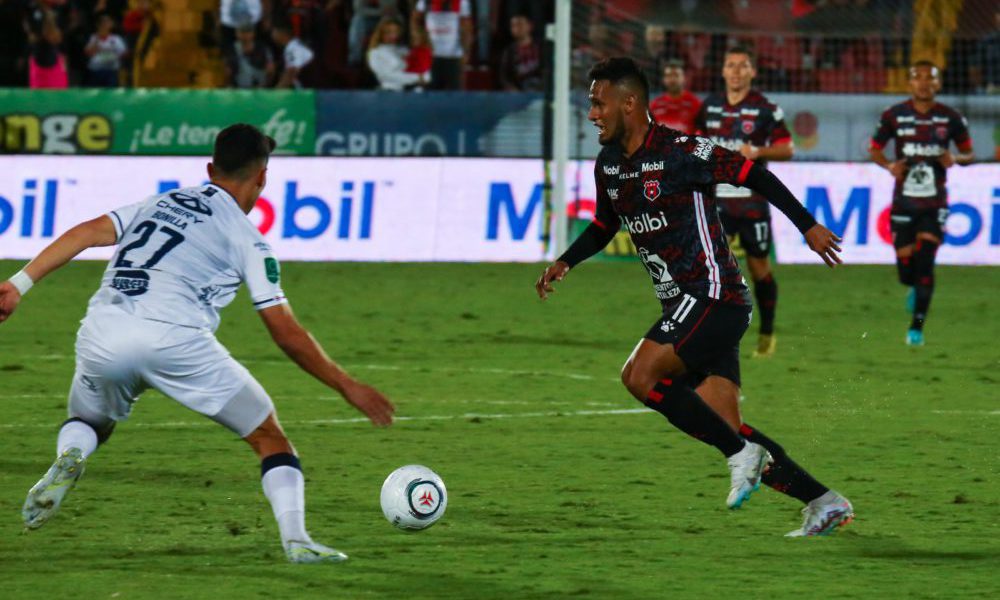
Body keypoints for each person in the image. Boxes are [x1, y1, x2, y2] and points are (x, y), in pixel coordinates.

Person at [1, 123, 395, 563]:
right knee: (269, 438)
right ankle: (297, 540)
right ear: (263, 178)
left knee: (90, 421)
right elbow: (285, 332)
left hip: (104, 329)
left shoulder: (162, 201)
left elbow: (89, 231)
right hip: (175, 341)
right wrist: (347, 385)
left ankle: (71, 454)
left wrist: (19, 283)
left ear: (210, 168)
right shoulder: (251, 240)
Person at [535, 57, 853, 537]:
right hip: (688, 308)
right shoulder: (610, 165)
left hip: (713, 297)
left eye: (599, 104)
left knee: (639, 376)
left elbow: (753, 174)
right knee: (728, 426)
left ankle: (741, 457)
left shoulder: (683, 151)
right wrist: (565, 261)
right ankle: (825, 502)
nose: (592, 114)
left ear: (630, 103)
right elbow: (605, 224)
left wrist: (807, 225)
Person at [694, 45, 793, 357]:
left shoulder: (765, 109)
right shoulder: (709, 108)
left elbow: (787, 149)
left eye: (742, 66)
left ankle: (766, 333)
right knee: (709, 269)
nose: (736, 71)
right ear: (722, 71)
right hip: (717, 200)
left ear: (752, 72)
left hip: (752, 202)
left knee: (759, 266)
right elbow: (696, 146)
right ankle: (709, 334)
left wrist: (759, 151)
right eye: (731, 65)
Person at [869, 61, 973, 346]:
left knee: (925, 262)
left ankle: (916, 328)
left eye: (931, 78)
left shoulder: (950, 118)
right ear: (910, 83)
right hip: (904, 203)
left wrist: (956, 159)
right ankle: (913, 287)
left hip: (934, 203)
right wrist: (889, 165)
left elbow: (968, 153)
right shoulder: (894, 115)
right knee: (906, 270)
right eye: (918, 77)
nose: (924, 83)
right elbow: (874, 149)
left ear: (938, 84)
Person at [412, 0, 472, 90]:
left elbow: (466, 27)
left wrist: (466, 51)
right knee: (431, 92)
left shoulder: (462, 1)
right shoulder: (424, 1)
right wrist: (420, 39)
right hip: (430, 55)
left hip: (453, 55)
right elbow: (415, 20)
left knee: (455, 95)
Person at [366, 15, 424, 90]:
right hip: (389, 92)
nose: (394, 36)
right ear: (381, 32)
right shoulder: (375, 52)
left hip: (414, 90)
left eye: (396, 32)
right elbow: (385, 76)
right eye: (389, 32)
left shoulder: (404, 49)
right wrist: (416, 78)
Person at [649, 58, 700, 134]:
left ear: (684, 78)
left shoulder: (695, 104)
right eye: (669, 76)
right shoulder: (654, 105)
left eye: (676, 75)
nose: (672, 79)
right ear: (664, 79)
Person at [498, 12, 541, 91]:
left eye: (520, 24)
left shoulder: (541, 48)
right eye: (513, 25)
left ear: (530, 26)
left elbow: (548, 72)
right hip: (518, 94)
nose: (517, 28)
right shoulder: (509, 52)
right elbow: (504, 77)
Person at [84, 13, 127, 87]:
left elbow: (124, 53)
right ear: (98, 25)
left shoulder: (116, 39)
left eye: (107, 22)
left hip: (111, 71)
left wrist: (110, 55)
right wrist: (97, 39)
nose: (105, 24)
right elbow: (87, 52)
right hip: (96, 71)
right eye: (103, 22)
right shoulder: (93, 38)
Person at [271, 22, 314, 88]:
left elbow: (292, 71)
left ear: (282, 34)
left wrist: (277, 92)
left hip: (313, 90)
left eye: (274, 31)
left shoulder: (292, 47)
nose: (272, 35)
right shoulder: (294, 44)